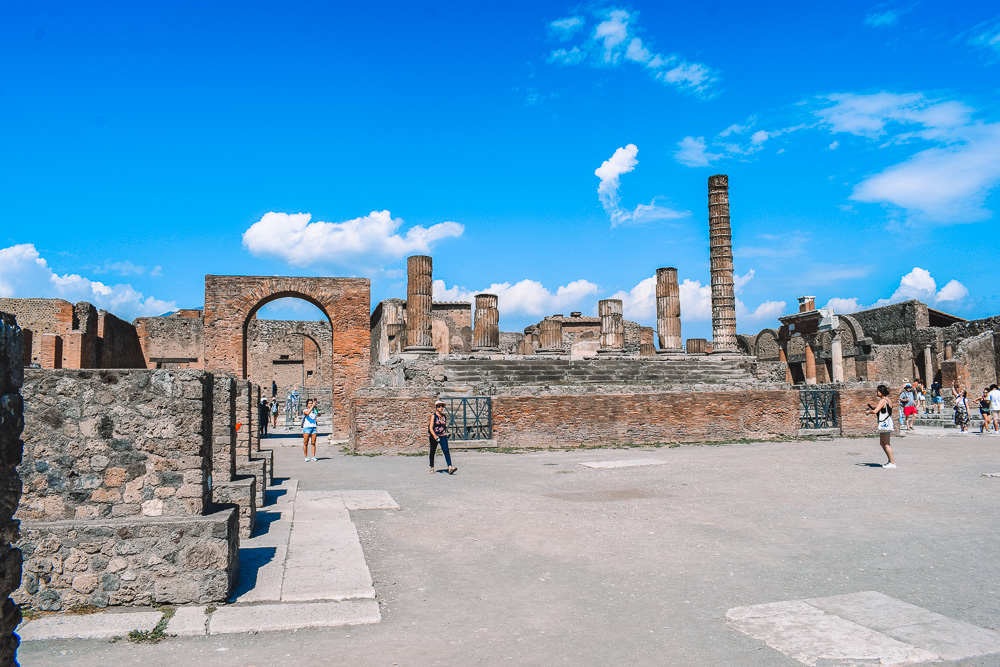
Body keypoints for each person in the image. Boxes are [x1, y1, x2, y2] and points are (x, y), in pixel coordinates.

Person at [865, 384, 896, 469]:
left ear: (881, 392)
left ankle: (892, 462)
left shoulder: (883, 400)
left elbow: (875, 411)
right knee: (882, 443)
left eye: (878, 391)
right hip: (886, 422)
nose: (877, 392)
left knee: (886, 444)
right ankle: (890, 460)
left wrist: (869, 412)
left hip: (885, 423)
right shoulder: (888, 400)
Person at [427, 399, 456, 475]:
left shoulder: (444, 416)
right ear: (436, 407)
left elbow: (444, 426)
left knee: (446, 450)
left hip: (442, 435)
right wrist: (434, 436)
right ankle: (432, 467)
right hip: (435, 436)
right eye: (439, 406)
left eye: (442, 406)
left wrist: (444, 433)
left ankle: (450, 467)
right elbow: (431, 427)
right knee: (432, 451)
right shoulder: (434, 416)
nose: (441, 408)